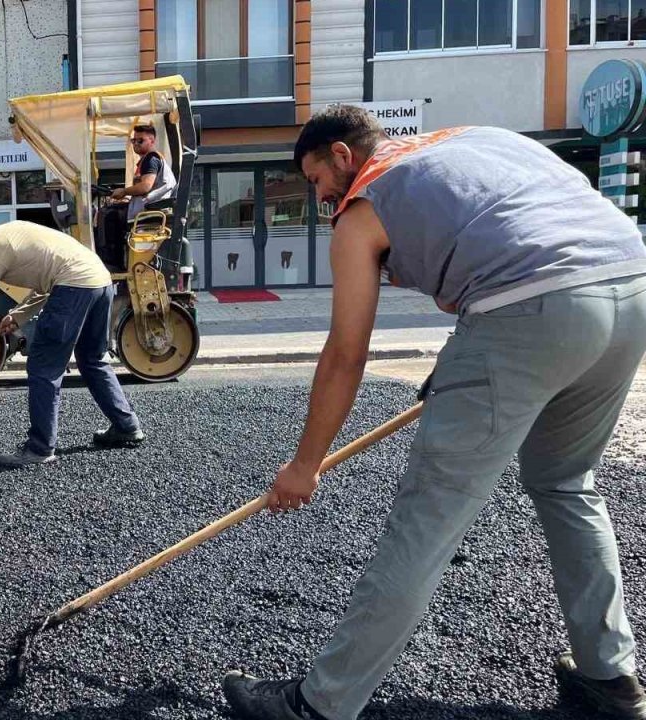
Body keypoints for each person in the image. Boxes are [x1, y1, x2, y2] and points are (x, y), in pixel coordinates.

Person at [223, 106, 646, 720]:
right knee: (565, 483)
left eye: (317, 180)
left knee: (426, 521)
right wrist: (461, 366)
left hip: (533, 304)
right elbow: (514, 235)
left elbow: (346, 353)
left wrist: (305, 463)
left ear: (343, 156)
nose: (320, 198)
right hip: (630, 287)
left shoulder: (364, 206)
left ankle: (318, 706)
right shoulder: (475, 139)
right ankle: (611, 681)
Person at [0, 210, 144, 467]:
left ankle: (40, 448)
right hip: (100, 281)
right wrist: (18, 315)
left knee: (43, 368)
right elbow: (47, 281)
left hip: (74, 285)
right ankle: (127, 426)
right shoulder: (9, 234)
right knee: (93, 359)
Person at [96, 124, 176, 267]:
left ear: (152, 141)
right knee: (115, 209)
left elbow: (145, 186)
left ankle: (112, 262)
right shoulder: (150, 160)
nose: (136, 144)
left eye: (140, 141)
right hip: (150, 207)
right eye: (134, 141)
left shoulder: (151, 160)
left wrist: (124, 191)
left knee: (107, 214)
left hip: (148, 210)